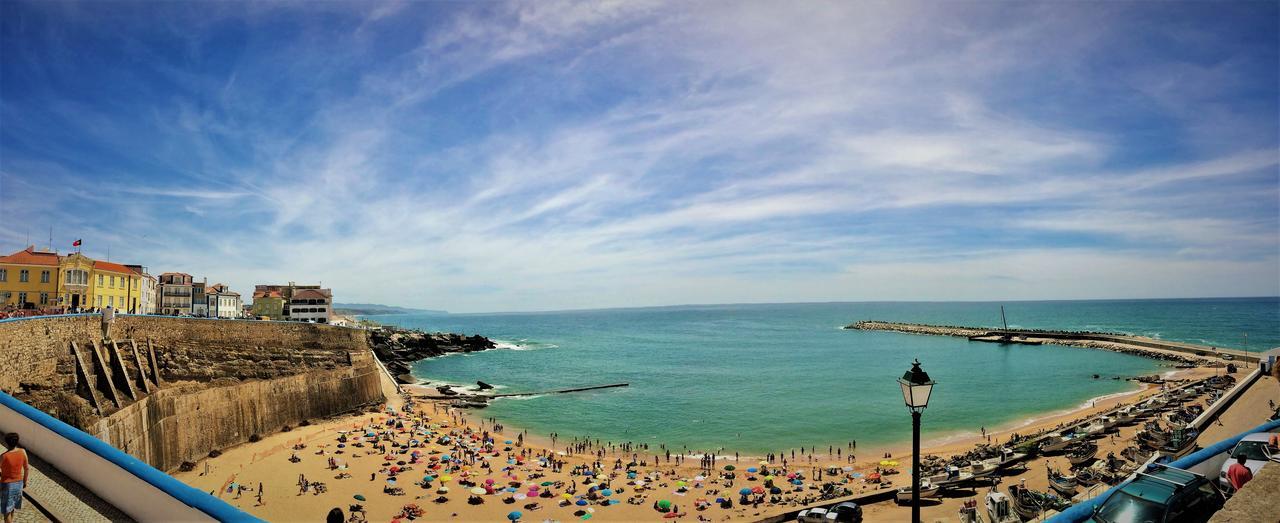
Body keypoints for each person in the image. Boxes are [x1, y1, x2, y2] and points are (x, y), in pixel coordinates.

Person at [1, 433, 29, 523]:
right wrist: (24, 482)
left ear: (6, 443)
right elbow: (26, 468)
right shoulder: (23, 452)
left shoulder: (3, 456)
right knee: (11, 507)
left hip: (7, 485)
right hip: (19, 484)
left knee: (6, 512)